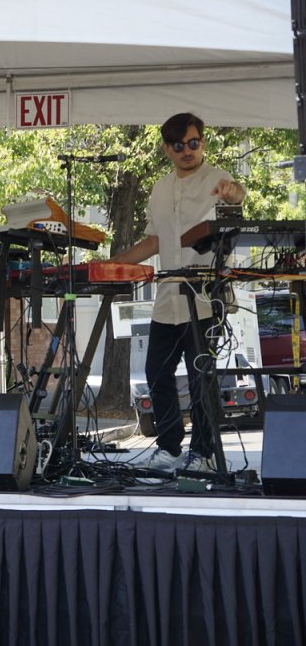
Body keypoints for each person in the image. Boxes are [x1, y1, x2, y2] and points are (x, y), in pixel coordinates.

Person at [112, 112, 246, 473]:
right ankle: (170, 449)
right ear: (166, 149)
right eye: (178, 145)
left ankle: (203, 453)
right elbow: (154, 240)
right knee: (157, 373)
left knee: (201, 376)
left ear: (203, 142)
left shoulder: (218, 178)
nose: (187, 150)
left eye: (193, 143)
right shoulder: (159, 187)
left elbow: (236, 198)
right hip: (168, 298)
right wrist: (114, 264)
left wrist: (234, 193)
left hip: (203, 297)